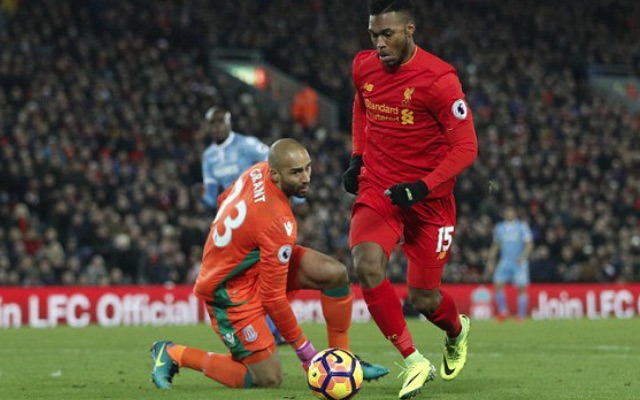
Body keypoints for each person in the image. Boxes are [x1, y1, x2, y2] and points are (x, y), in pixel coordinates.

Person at [150, 138, 388, 390]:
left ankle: (343, 360)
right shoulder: (278, 221)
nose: (306, 178)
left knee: (334, 274)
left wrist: (241, 243)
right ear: (274, 174)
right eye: (296, 173)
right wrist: (306, 354)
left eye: (307, 168)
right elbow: (273, 298)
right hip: (229, 290)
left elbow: (223, 199)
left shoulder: (256, 171)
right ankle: (175, 353)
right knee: (267, 378)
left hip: (252, 262)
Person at [342, 1, 478, 398]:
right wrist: (357, 156)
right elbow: (361, 105)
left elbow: (467, 147)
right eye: (373, 35)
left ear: (410, 30)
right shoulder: (363, 66)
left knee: (424, 298)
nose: (379, 44)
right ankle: (414, 360)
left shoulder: (439, 80)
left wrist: (421, 186)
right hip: (380, 189)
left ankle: (457, 330)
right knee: (366, 264)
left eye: (387, 34)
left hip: (430, 202)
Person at [199, 106, 286, 344]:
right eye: (213, 124)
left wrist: (293, 196)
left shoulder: (247, 144)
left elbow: (277, 160)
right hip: (233, 220)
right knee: (250, 276)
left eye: (221, 123)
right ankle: (271, 328)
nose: (217, 128)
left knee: (262, 272)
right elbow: (209, 193)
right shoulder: (208, 156)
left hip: (259, 213)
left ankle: (271, 328)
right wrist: (202, 198)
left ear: (229, 123)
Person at [485, 206, 534, 322]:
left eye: (511, 212)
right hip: (505, 261)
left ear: (515, 214)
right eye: (507, 212)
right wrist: (491, 260)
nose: (509, 214)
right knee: (497, 284)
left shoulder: (522, 226)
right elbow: (496, 245)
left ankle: (521, 315)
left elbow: (529, 244)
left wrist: (523, 256)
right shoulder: (499, 228)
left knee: (521, 287)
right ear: (504, 214)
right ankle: (503, 312)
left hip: (519, 261)